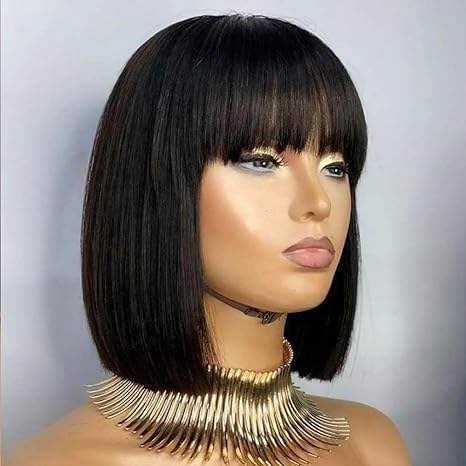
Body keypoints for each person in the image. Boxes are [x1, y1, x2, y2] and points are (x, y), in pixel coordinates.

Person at [5, 13, 412, 466]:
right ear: (159, 185)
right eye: (261, 161)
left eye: (335, 167)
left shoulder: (372, 444)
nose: (318, 202)